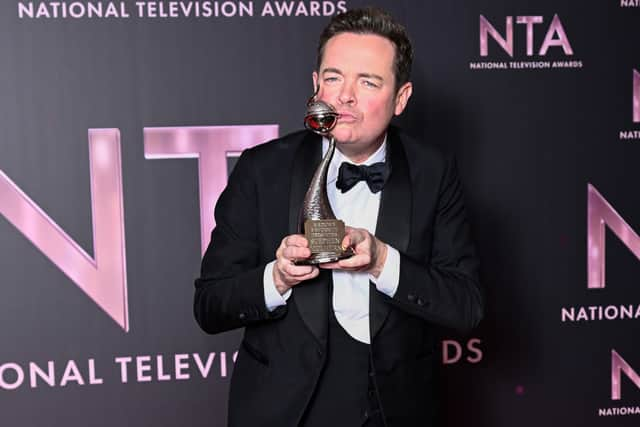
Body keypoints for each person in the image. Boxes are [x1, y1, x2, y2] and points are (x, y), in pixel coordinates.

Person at [194, 7, 483, 427]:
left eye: (367, 81)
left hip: (395, 409)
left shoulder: (433, 172)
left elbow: (466, 306)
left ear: (400, 98)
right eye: (333, 77)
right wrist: (277, 277)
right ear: (315, 86)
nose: (345, 96)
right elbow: (209, 305)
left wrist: (382, 260)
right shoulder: (262, 170)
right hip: (285, 411)